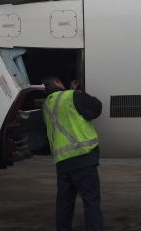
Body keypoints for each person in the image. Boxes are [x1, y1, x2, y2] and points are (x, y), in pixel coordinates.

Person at [41, 76, 104, 231]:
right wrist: (79, 93)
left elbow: (65, 115)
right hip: (82, 158)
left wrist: (72, 91)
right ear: (56, 82)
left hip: (62, 162)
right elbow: (96, 109)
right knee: (91, 201)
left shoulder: (46, 106)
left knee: (64, 204)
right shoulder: (72, 96)